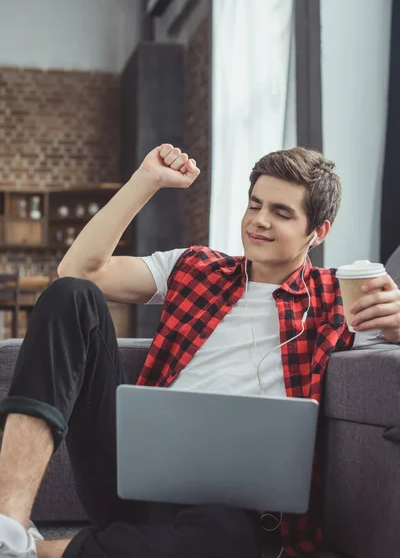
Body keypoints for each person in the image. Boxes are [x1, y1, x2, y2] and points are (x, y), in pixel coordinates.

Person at [0, 144, 399, 558]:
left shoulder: (339, 297)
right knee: (71, 294)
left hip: (227, 515)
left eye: (281, 213)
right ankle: (8, 525)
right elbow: (78, 269)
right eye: (254, 204)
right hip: (130, 474)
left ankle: (30, 552)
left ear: (319, 231)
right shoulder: (194, 267)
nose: (259, 221)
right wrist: (146, 180)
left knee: (227, 538)